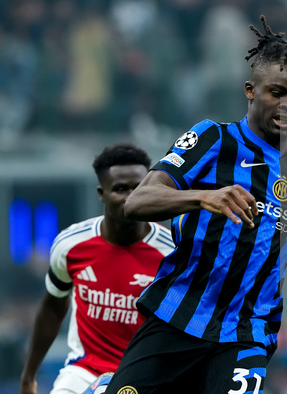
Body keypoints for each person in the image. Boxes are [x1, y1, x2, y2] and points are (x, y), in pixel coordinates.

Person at [102, 15, 287, 394]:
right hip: (175, 320)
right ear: (250, 90)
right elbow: (138, 201)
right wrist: (203, 196)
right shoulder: (212, 139)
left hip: (246, 334)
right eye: (277, 92)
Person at [20, 144, 175, 394]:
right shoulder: (71, 244)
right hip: (83, 372)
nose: (131, 197)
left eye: (138, 188)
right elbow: (52, 307)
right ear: (101, 193)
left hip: (146, 373)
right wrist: (29, 376)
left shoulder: (172, 252)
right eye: (121, 189)